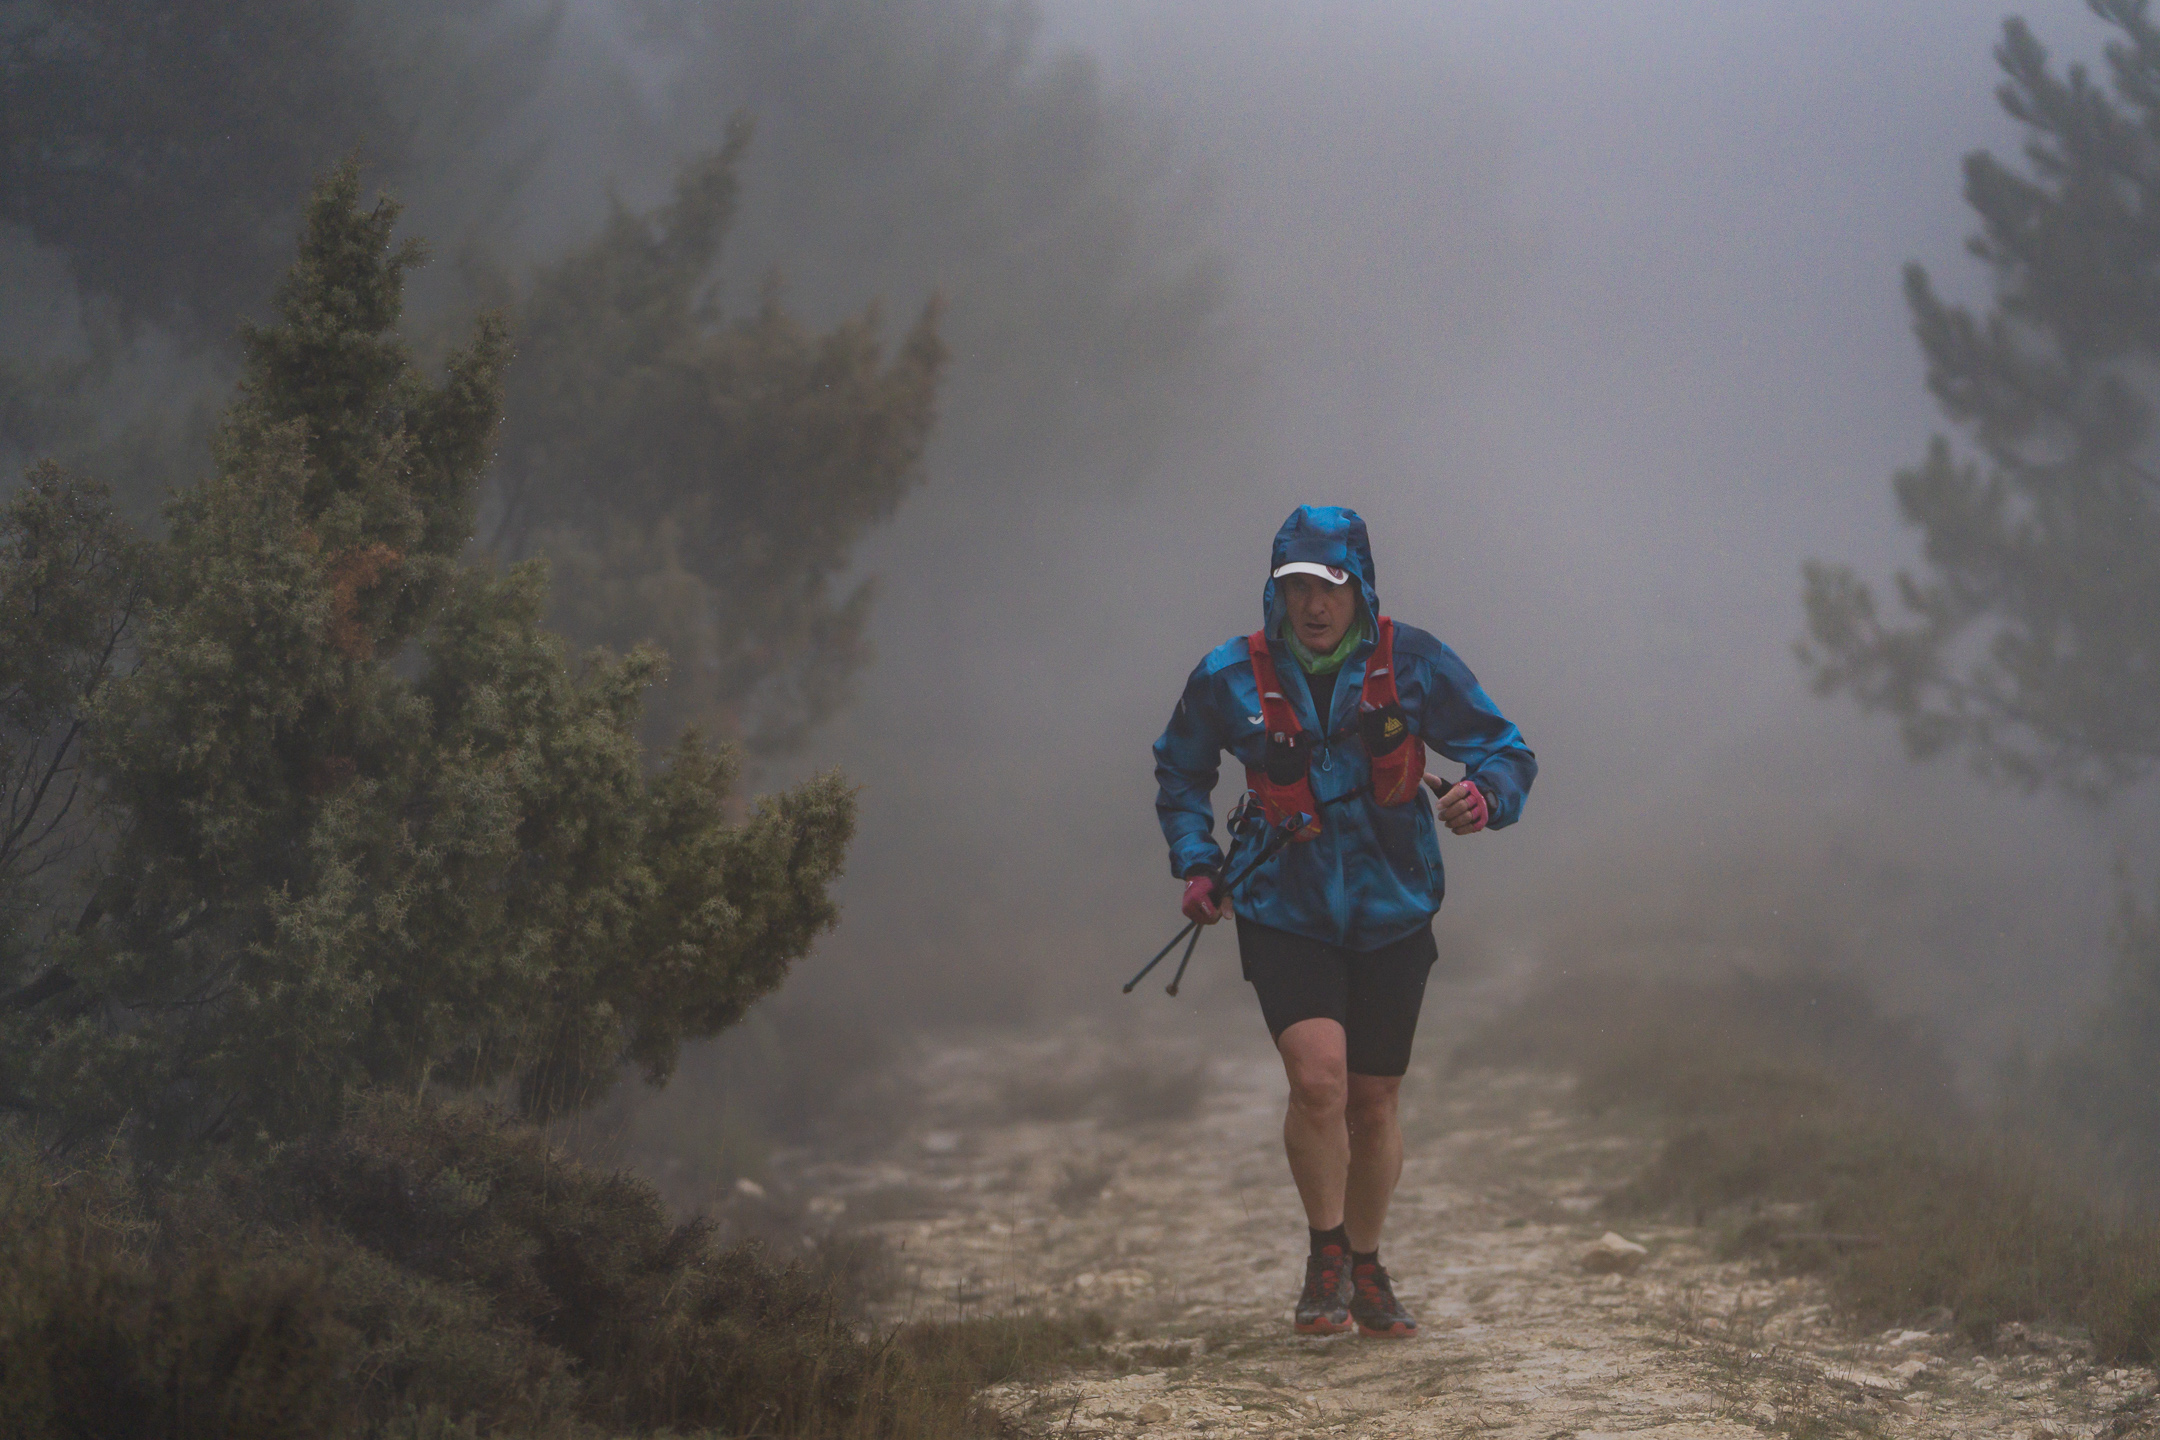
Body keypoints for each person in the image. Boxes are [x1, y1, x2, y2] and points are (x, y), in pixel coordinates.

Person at [1152, 504, 1536, 1338]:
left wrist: (1485, 797)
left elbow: (1506, 750)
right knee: (1319, 1077)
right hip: (1281, 902)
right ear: (1276, 590)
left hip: (1394, 903)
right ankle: (1324, 1253)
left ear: (1359, 587)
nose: (1314, 604)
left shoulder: (1415, 663)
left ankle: (1366, 1265)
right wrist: (1197, 861)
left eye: (1329, 585)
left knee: (1373, 1101)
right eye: (1296, 586)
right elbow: (1180, 772)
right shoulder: (1227, 675)